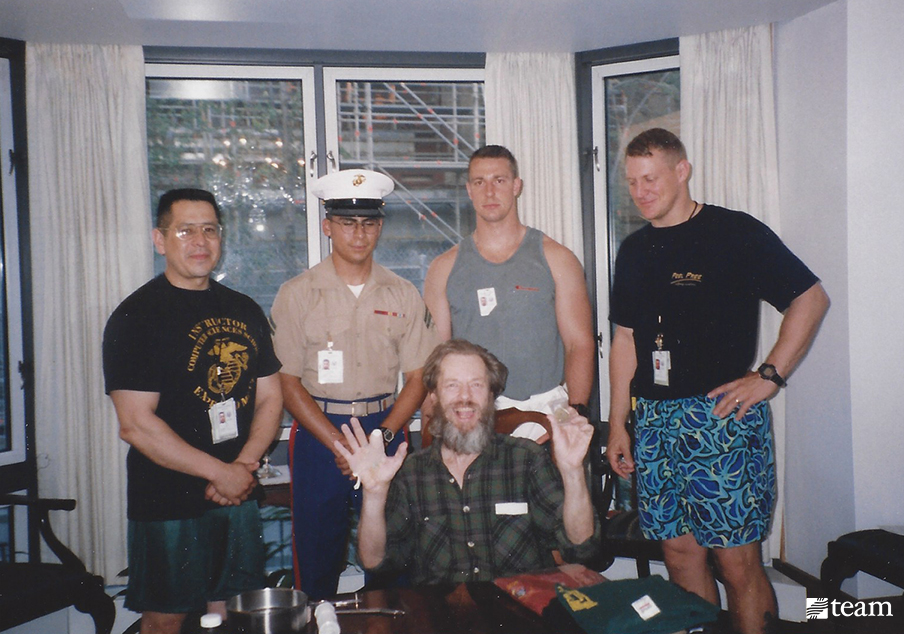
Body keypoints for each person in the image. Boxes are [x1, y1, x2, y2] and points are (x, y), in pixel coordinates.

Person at [605, 128, 829, 634]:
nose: (640, 192)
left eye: (651, 178)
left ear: (682, 171)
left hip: (721, 419)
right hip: (656, 422)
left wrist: (768, 377)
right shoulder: (634, 249)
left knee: (736, 565)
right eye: (632, 182)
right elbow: (625, 341)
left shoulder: (735, 233)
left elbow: (809, 299)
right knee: (680, 556)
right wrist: (620, 422)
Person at [103, 189, 283, 634]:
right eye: (185, 230)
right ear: (160, 239)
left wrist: (241, 466)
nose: (200, 240)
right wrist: (219, 474)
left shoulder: (243, 308)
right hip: (167, 498)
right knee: (167, 619)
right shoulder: (136, 317)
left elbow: (270, 398)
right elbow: (137, 425)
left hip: (235, 491)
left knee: (230, 614)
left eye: (210, 229)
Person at [270, 169, 440, 600]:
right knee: (317, 554)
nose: (358, 233)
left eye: (368, 223)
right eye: (347, 222)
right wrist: (339, 446)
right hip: (318, 432)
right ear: (327, 226)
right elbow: (287, 382)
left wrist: (380, 439)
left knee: (390, 553)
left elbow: (419, 377)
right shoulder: (297, 294)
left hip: (385, 425)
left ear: (380, 226)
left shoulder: (403, 294)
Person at [336, 339, 601, 585]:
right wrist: (373, 494)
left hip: (519, 615)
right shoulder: (411, 473)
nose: (465, 396)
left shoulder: (526, 459)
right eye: (452, 385)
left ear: (491, 395)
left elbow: (581, 547)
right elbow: (375, 562)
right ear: (434, 397)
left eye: (477, 384)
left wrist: (573, 471)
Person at [423, 145, 596, 421]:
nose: (489, 192)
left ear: (517, 185)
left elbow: (579, 345)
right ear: (469, 190)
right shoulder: (443, 268)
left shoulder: (557, 259)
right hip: (469, 418)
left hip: (544, 415)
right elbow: (435, 358)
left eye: (499, 180)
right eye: (480, 182)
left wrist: (574, 415)